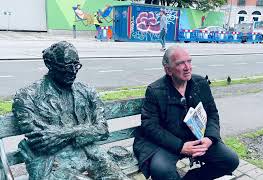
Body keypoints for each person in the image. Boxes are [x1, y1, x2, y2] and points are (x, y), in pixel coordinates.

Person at [12, 41, 130, 180]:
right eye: (67, 66)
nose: (73, 71)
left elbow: (102, 130)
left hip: (91, 154)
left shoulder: (87, 91)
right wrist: (86, 130)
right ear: (49, 64)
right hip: (53, 163)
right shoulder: (27, 97)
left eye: (76, 65)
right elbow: (43, 143)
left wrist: (62, 133)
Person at [133, 46, 239, 180]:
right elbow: (150, 126)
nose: (187, 67)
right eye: (180, 63)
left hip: (196, 139)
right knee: (161, 171)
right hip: (168, 143)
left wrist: (210, 138)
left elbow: (212, 113)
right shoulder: (155, 91)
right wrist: (180, 146)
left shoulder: (200, 84)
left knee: (230, 160)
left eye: (189, 61)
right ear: (168, 70)